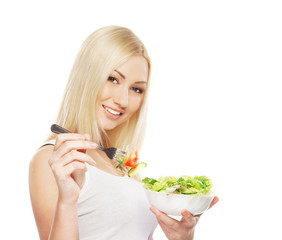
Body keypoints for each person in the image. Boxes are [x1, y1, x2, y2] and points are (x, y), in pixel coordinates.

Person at [29, 25, 218, 240]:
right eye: (113, 79)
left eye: (136, 89)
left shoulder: (120, 165)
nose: (123, 101)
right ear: (87, 77)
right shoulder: (53, 160)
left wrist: (182, 238)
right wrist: (67, 202)